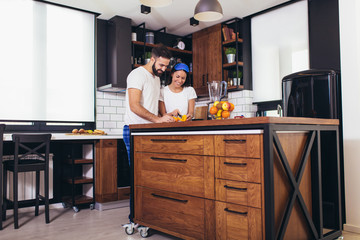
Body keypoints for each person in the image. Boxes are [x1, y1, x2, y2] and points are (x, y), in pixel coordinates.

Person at [122, 44, 174, 229]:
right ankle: (133, 218)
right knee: (138, 176)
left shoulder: (155, 78)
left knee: (152, 176)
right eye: (161, 65)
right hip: (134, 130)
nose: (163, 69)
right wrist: (158, 120)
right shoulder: (137, 75)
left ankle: (148, 218)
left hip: (149, 131)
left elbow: (156, 102)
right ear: (152, 59)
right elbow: (134, 105)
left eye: (166, 66)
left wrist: (165, 117)